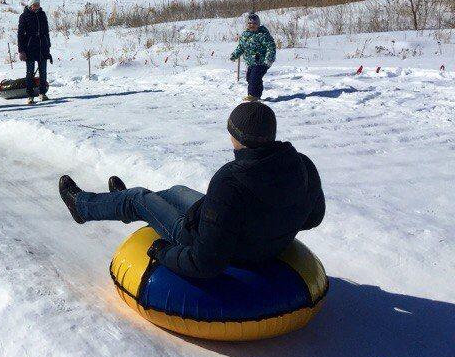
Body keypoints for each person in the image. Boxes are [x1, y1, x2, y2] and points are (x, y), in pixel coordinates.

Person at [58, 102, 325, 279]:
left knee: (138, 197)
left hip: (212, 242)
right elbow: (313, 217)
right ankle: (125, 203)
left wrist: (161, 252)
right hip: (249, 236)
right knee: (177, 191)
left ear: (238, 137)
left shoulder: (231, 181)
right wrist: (273, 224)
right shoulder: (302, 164)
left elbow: (205, 263)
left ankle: (82, 207)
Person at [231, 13, 277, 100]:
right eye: (250, 23)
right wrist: (235, 55)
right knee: (249, 78)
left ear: (258, 24)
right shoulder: (245, 35)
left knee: (254, 78)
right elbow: (241, 47)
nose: (252, 25)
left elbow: (271, 47)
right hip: (251, 62)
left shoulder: (263, 35)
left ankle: (253, 96)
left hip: (262, 62)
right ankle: (255, 96)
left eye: (254, 23)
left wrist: (269, 59)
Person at [17, 0, 52, 105]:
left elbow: (46, 31)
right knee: (30, 72)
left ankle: (42, 93)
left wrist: (48, 45)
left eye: (38, 5)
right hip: (30, 48)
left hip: (42, 47)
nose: (37, 7)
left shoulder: (42, 14)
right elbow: (20, 34)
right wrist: (21, 50)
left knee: (43, 71)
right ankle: (30, 95)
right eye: (34, 5)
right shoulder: (24, 16)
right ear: (30, 5)